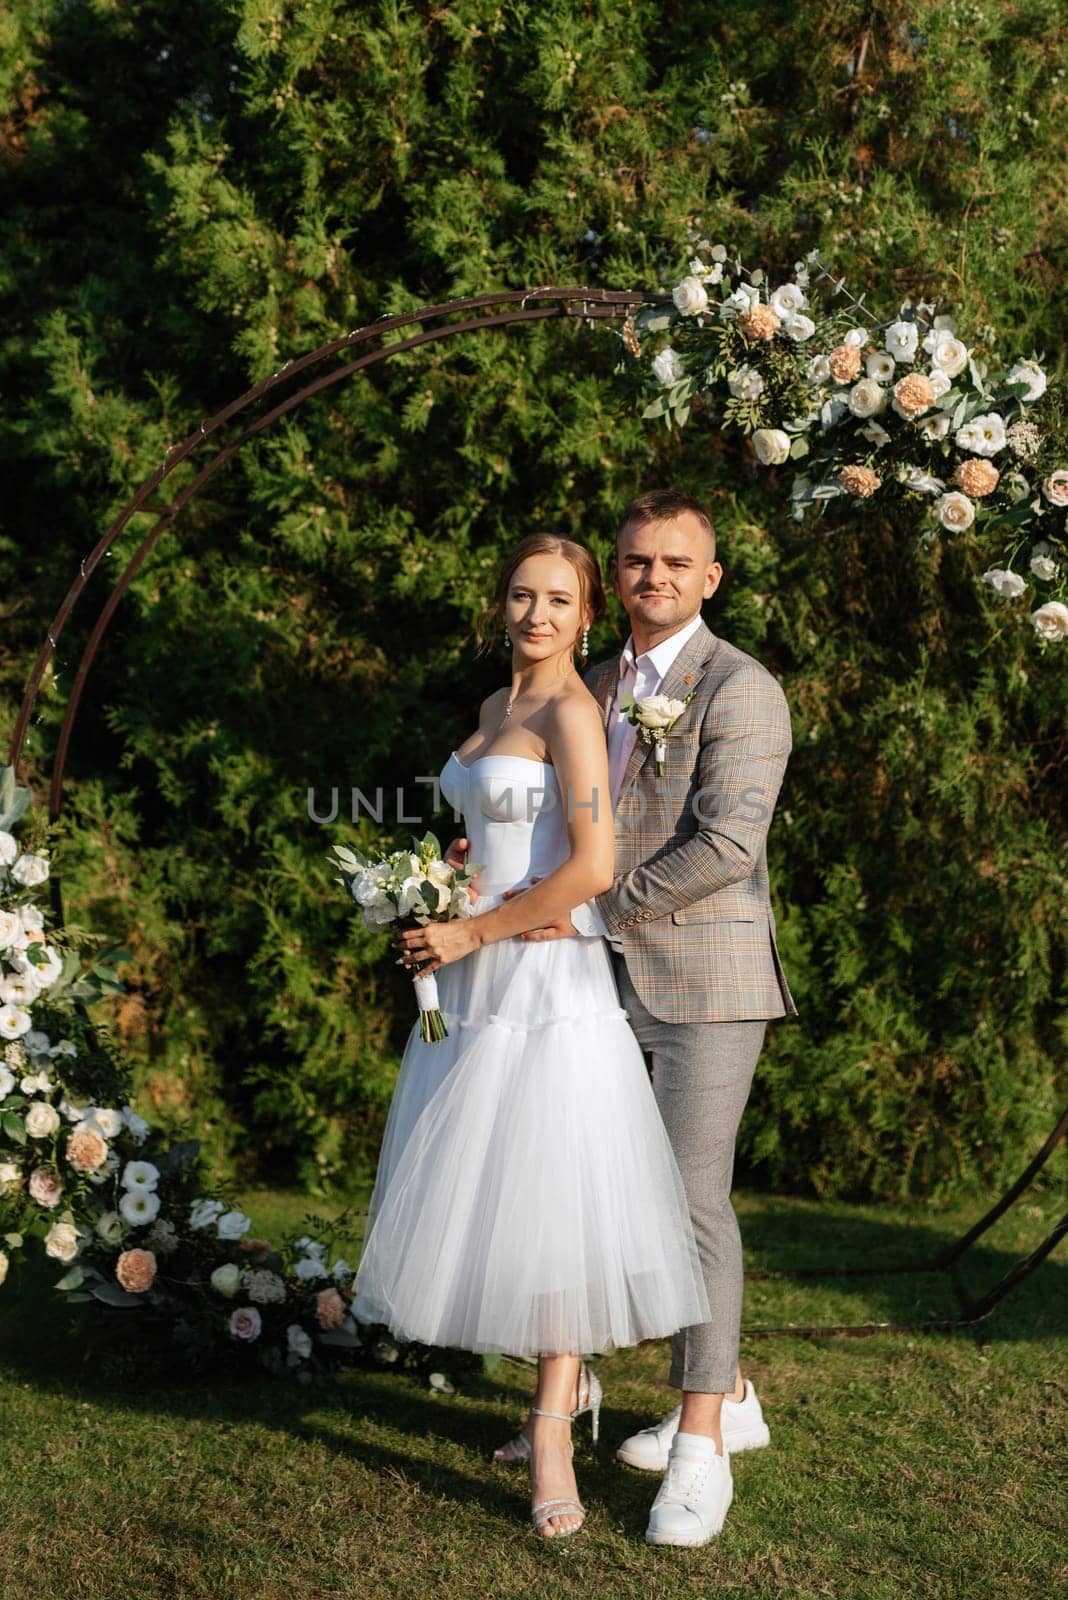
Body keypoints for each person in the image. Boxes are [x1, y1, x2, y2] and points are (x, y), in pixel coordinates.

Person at [351, 532, 710, 1542]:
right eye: (521, 594)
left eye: (558, 598)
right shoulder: (489, 711)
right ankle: (555, 1400)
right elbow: (510, 837)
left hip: (544, 986)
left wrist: (470, 926)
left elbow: (592, 864)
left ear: (586, 614)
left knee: (553, 1201)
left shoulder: (571, 713)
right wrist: (442, 878)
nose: (537, 613)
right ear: (498, 605)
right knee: (499, 1197)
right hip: (473, 988)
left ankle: (553, 1430)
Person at [490, 490, 797, 1548]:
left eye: (676, 563)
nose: (653, 577)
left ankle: (703, 1441)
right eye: (636, 562)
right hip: (586, 985)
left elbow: (727, 847)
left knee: (690, 1201)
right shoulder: (596, 682)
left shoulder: (742, 688)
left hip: (703, 986)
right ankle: (598, 1394)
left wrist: (587, 909)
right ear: (613, 576)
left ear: (711, 578)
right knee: (579, 1189)